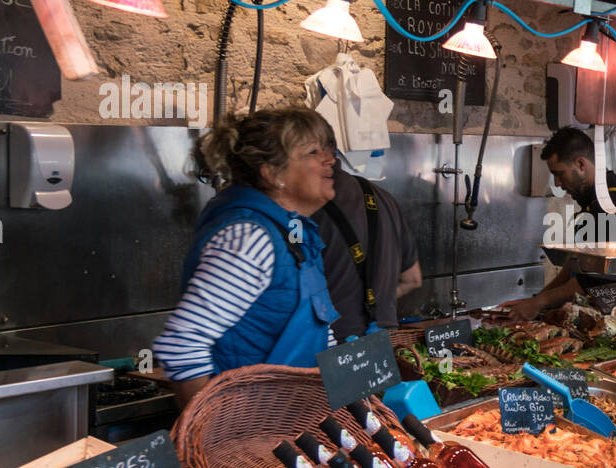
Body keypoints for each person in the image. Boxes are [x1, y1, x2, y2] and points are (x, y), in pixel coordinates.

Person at [155, 108, 339, 407]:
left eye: (328, 149)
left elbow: (317, 330)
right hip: (246, 431)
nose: (330, 159)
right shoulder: (250, 238)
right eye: (313, 151)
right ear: (273, 174)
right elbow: (182, 344)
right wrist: (210, 431)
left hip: (288, 424)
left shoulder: (293, 231)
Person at [504, 127, 616, 320]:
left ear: (580, 164)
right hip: (596, 314)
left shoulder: (614, 206)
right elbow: (574, 268)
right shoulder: (593, 203)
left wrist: (539, 303)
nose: (557, 183)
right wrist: (534, 301)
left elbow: (596, 282)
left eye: (560, 173)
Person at [315, 157, 422, 339]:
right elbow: (412, 279)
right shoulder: (384, 197)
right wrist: (378, 300)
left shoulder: (304, 209)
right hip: (385, 339)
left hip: (334, 346)